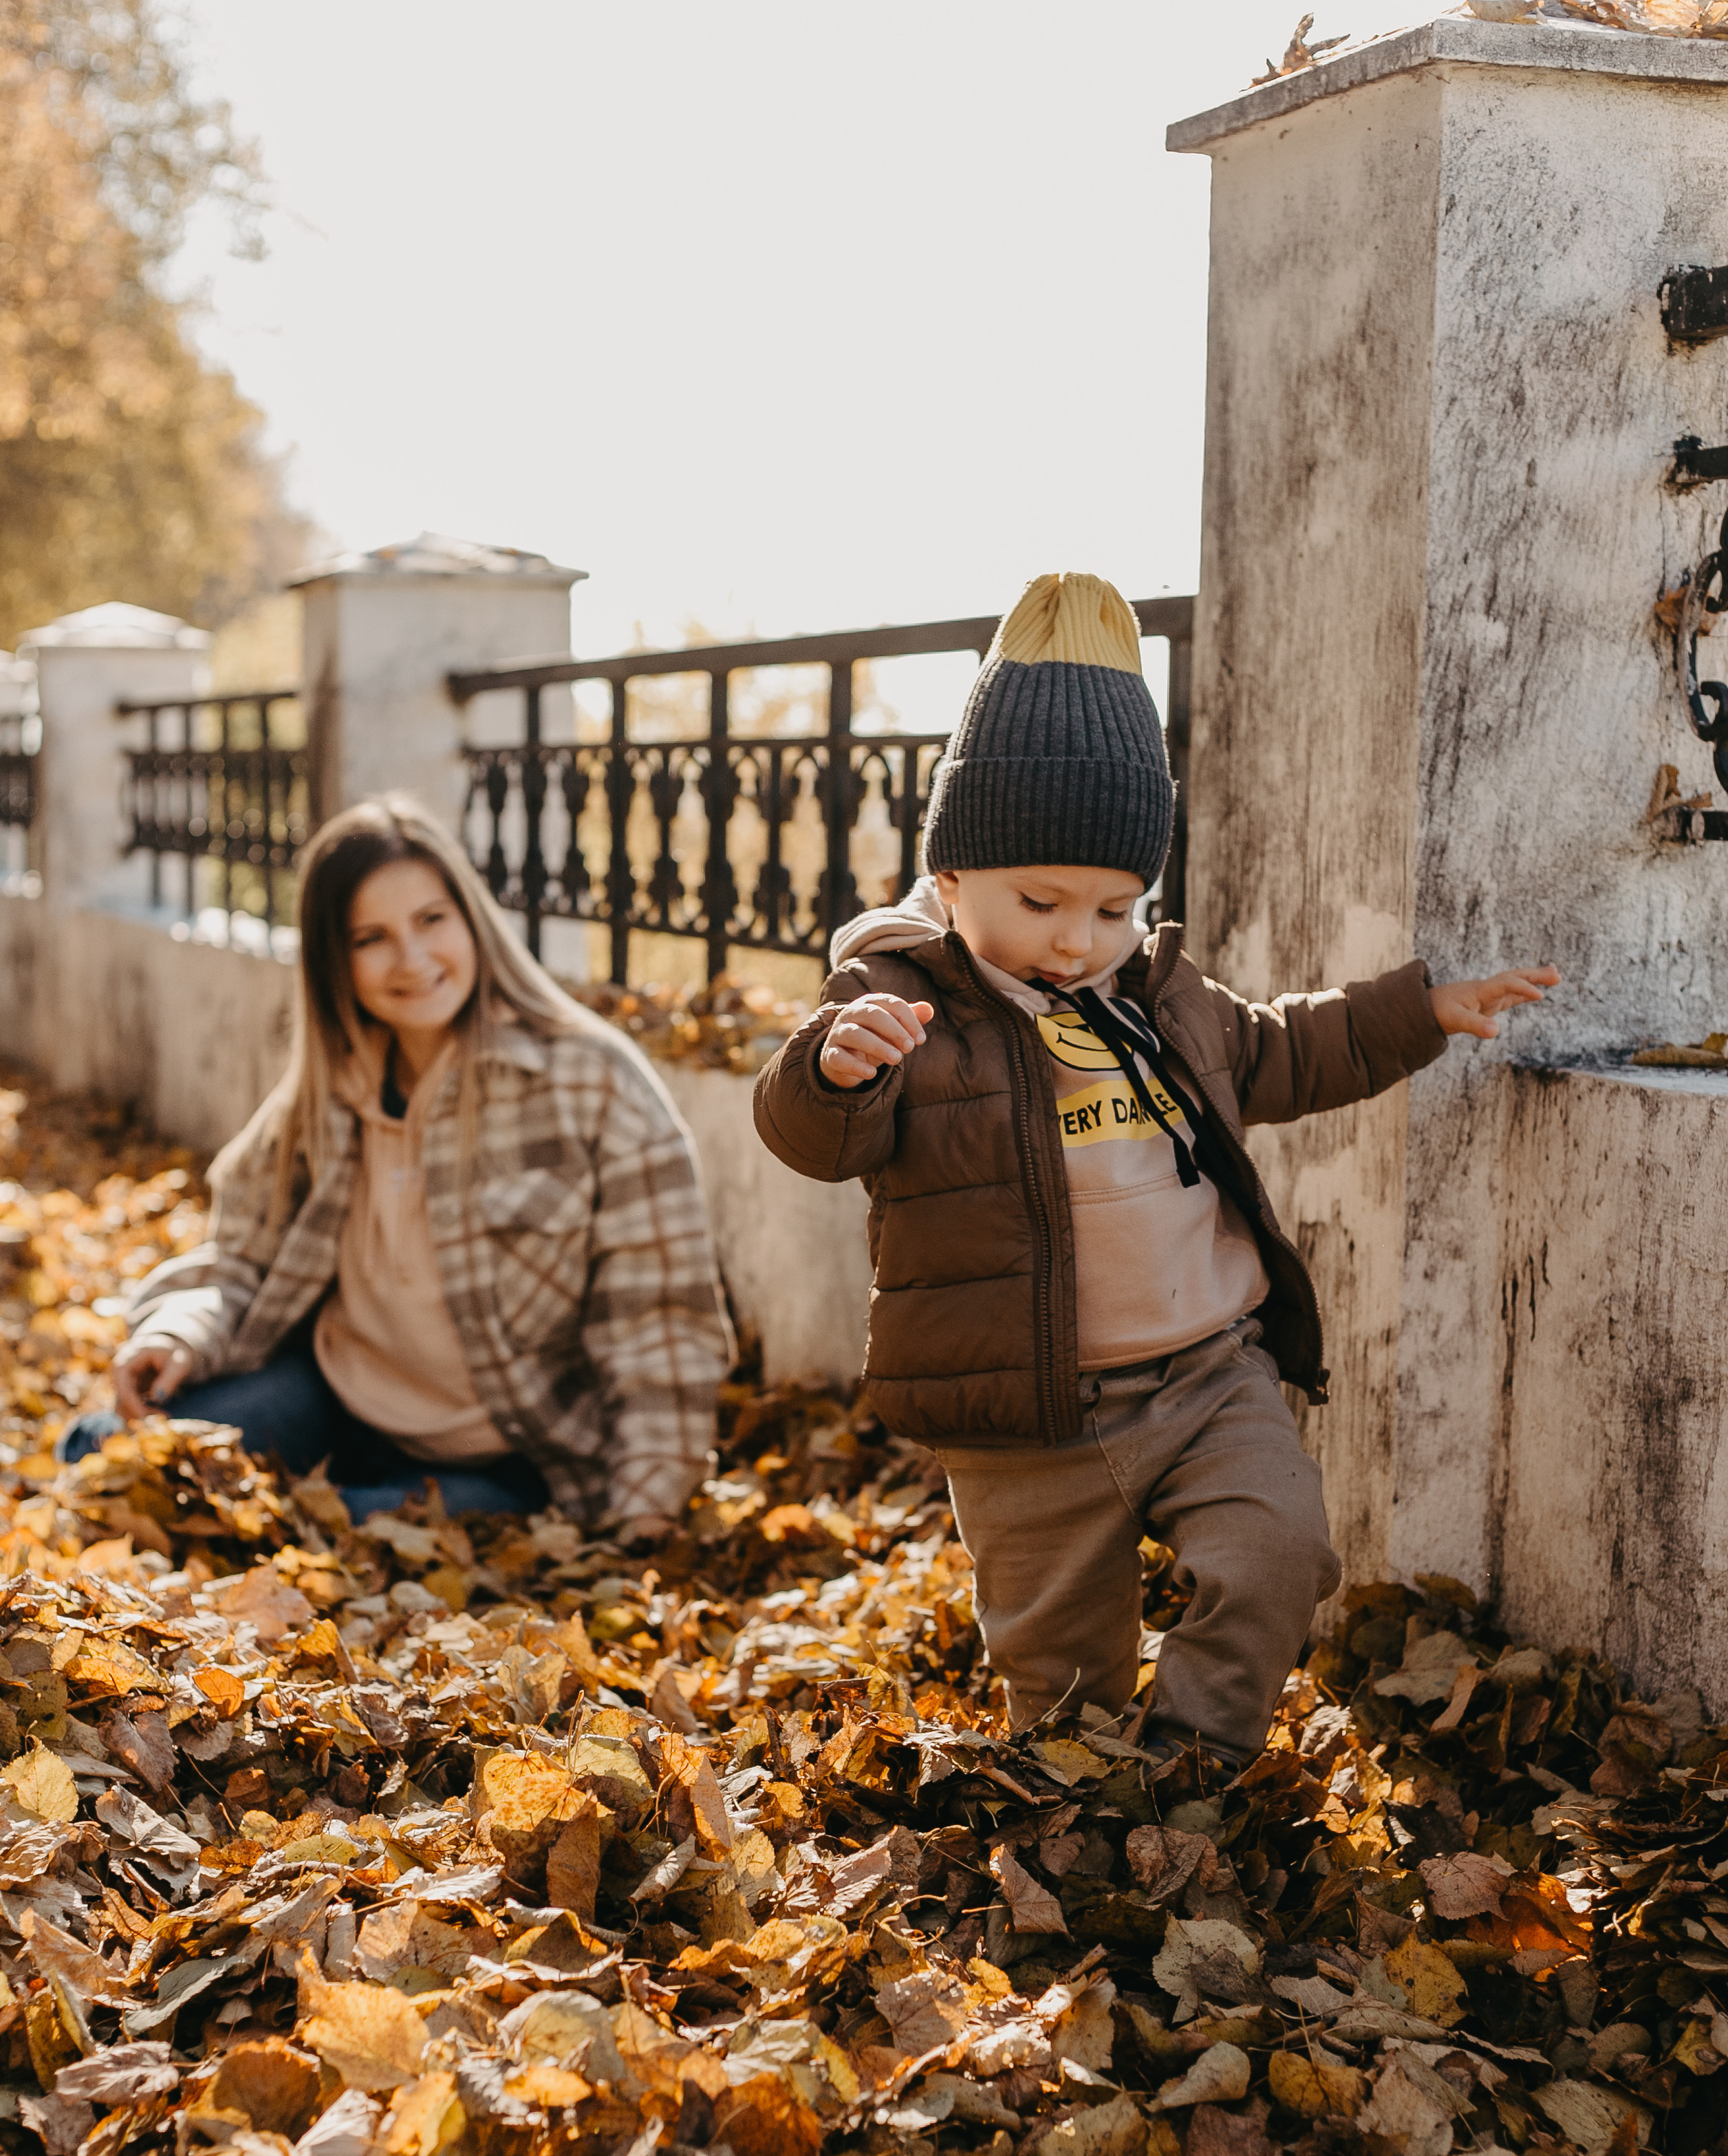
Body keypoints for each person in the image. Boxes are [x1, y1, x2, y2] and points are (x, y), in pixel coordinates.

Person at [753, 572, 1559, 1771]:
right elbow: (820, 1140)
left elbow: (1282, 1050)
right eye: (1040, 903)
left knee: (1279, 1554)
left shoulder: (1157, 996)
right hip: (1028, 1414)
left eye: (1115, 908)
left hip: (1207, 1376)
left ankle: (1191, 1770)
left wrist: (1420, 1012)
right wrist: (836, 1069)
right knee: (1063, 1679)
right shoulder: (901, 1002)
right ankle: (1084, 1808)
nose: (1077, 939)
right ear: (954, 878)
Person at [83, 795, 733, 1540]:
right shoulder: (330, 1088)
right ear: (336, 960)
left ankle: (332, 1516)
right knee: (132, 1456)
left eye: (431, 920)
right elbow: (242, 1262)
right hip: (332, 1397)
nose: (414, 961)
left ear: (471, 920)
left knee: (353, 1528)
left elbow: (661, 1325)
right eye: (372, 938)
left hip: (506, 1453)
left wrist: (643, 1512)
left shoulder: (591, 1082)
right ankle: (298, 1505)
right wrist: (178, 1334)